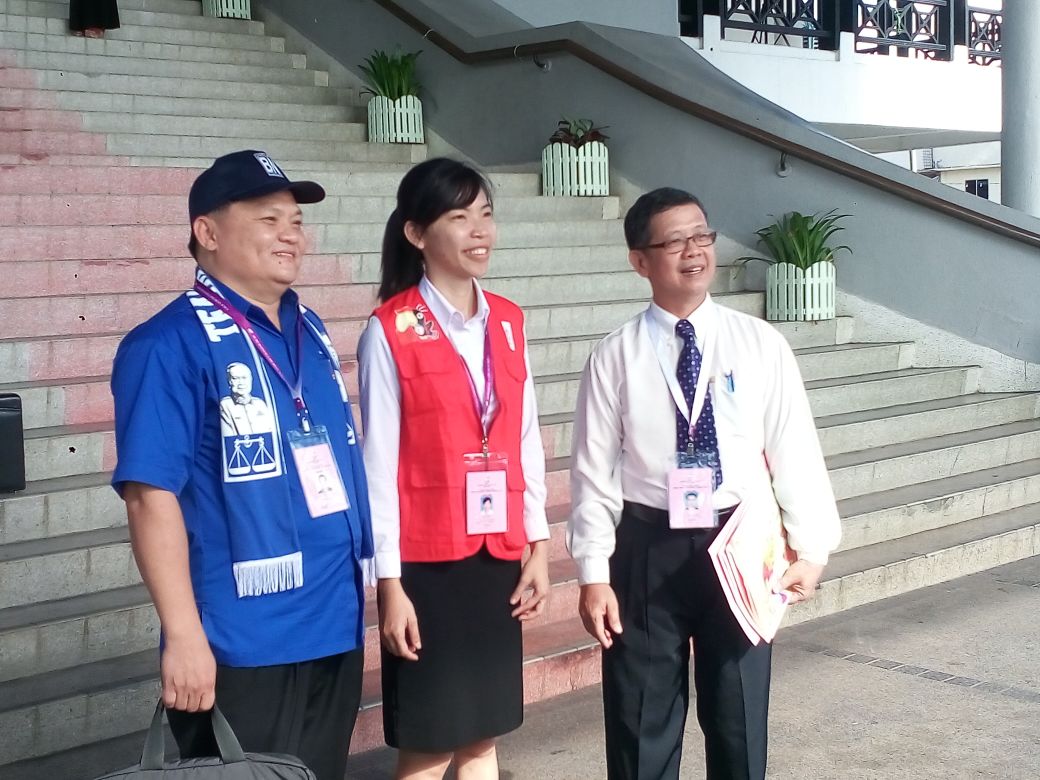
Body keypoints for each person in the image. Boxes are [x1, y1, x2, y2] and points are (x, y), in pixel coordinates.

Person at [111, 149, 373, 780]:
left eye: (296, 221)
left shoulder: (309, 328)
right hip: (241, 642)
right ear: (208, 232)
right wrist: (183, 636)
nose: (291, 233)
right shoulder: (166, 345)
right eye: (267, 218)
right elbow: (151, 498)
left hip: (332, 620)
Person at [567, 187, 842, 780]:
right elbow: (592, 475)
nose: (694, 251)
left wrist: (811, 546)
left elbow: (793, 447)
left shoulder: (761, 344)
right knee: (641, 724)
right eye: (674, 241)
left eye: (702, 236)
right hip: (647, 550)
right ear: (640, 261)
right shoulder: (613, 357)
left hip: (738, 545)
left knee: (738, 719)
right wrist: (593, 573)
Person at [358, 157, 551, 780]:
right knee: (428, 741)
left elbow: (525, 439)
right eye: (459, 217)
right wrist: (390, 587)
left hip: (497, 557)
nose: (480, 232)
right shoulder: (389, 330)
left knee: (480, 737)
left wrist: (538, 547)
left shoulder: (511, 322)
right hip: (427, 565)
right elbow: (377, 465)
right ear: (417, 234)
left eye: (486, 214)